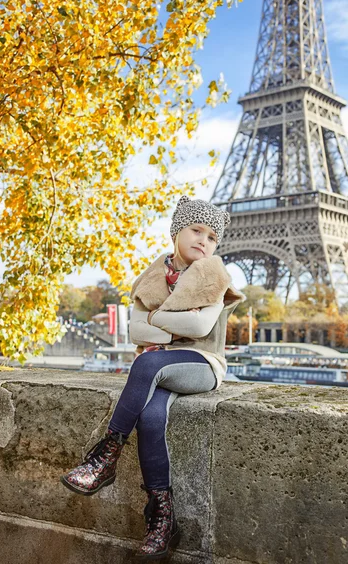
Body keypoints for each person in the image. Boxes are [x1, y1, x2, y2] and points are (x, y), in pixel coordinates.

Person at [60, 195, 245, 560]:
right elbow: (135, 332)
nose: (203, 240)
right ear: (177, 231)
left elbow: (201, 325)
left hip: (202, 363)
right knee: (150, 416)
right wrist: (172, 322)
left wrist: (157, 319)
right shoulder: (151, 276)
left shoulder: (214, 274)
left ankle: (104, 458)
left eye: (211, 236)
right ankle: (162, 515)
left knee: (144, 366)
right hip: (163, 365)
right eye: (196, 230)